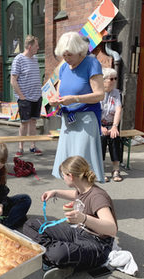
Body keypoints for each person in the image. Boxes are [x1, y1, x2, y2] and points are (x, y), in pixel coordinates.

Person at [23, 156, 117, 279]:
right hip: (78, 233)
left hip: (97, 245)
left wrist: (83, 218)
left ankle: (55, 256)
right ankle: (56, 257)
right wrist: (55, 192)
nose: (63, 178)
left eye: (63, 176)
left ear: (70, 176)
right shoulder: (83, 188)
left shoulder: (98, 197)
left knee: (59, 253)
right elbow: (75, 195)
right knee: (31, 224)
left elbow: (112, 229)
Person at [49, 31, 105, 183]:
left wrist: (75, 98)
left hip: (86, 120)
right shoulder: (64, 68)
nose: (66, 59)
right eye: (64, 55)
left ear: (80, 51)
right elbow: (59, 93)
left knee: (83, 161)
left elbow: (100, 95)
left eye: (69, 55)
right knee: (69, 163)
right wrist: (56, 100)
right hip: (68, 121)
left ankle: (86, 199)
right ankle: (77, 197)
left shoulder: (91, 63)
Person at [11, 35, 43, 157]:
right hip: (25, 98)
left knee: (33, 122)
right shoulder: (18, 59)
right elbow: (13, 80)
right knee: (24, 122)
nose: (38, 48)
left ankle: (33, 146)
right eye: (36, 46)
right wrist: (21, 96)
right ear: (30, 47)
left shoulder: (34, 59)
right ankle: (20, 147)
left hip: (36, 96)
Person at [100, 68, 123, 182]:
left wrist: (115, 126)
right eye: (111, 79)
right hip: (98, 124)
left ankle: (116, 169)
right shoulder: (97, 92)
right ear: (103, 80)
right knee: (102, 137)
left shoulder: (116, 93)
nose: (114, 81)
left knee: (115, 136)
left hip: (111, 123)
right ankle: (101, 169)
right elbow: (93, 112)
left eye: (115, 78)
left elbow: (118, 110)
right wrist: (100, 127)